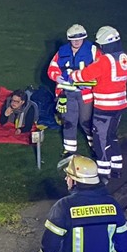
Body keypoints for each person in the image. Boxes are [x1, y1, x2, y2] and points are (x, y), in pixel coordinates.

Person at [73, 25, 127, 180]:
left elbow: (86, 74)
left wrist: (74, 75)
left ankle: (104, 173)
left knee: (100, 139)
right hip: (120, 105)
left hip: (105, 106)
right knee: (112, 136)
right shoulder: (126, 57)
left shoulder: (105, 60)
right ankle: (117, 167)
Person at [47, 24, 98, 156]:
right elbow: (52, 68)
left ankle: (96, 146)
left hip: (85, 93)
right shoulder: (62, 51)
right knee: (69, 121)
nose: (76, 42)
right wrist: (57, 77)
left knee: (86, 121)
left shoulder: (92, 50)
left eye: (79, 39)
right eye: (73, 39)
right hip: (67, 93)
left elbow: (100, 68)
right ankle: (70, 150)